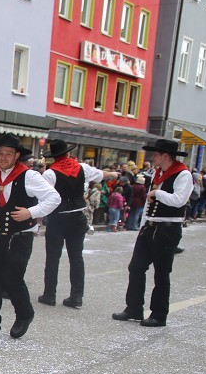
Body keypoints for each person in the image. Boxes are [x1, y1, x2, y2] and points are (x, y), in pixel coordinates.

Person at [0, 134, 61, 341]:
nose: (3, 157)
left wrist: (31, 212)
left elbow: (54, 198)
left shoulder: (28, 176)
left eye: (8, 154)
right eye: (0, 153)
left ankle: (24, 314)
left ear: (17, 155)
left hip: (20, 236)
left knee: (12, 279)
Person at [112, 139, 192, 328]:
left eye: (155, 154)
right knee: (136, 267)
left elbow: (179, 200)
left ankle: (159, 314)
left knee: (162, 273)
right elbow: (149, 203)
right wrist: (143, 224)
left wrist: (158, 194)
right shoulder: (159, 173)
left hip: (168, 228)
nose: (152, 157)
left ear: (165, 155)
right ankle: (133, 308)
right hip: (151, 226)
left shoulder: (183, 174)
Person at [38, 138, 118, 309]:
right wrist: (113, 174)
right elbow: (101, 174)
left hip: (58, 218)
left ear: (53, 156)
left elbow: (45, 196)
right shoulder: (81, 167)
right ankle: (76, 297)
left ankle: (49, 295)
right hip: (77, 217)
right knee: (76, 258)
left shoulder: (50, 173)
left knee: (53, 258)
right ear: (67, 153)